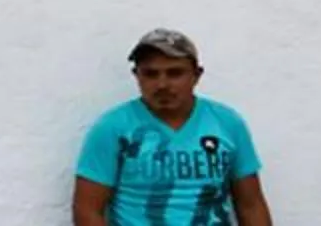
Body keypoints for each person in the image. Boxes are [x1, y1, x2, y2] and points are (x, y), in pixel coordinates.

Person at [72, 29, 275, 226]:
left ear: (196, 75)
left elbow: (250, 205)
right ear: (137, 75)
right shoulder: (112, 128)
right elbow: (87, 209)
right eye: (151, 74)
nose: (162, 84)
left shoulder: (227, 124)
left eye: (175, 73)